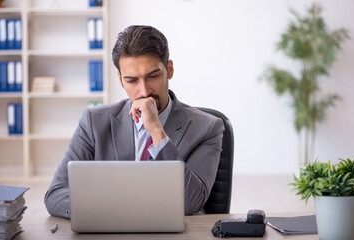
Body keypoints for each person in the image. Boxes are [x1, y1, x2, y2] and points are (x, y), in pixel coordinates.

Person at [44, 25, 224, 219]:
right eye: (132, 81)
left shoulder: (207, 127)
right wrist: (116, 210)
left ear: (169, 70)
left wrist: (157, 131)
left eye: (153, 76)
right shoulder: (94, 122)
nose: (144, 91)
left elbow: (190, 202)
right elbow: (55, 194)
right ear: (121, 80)